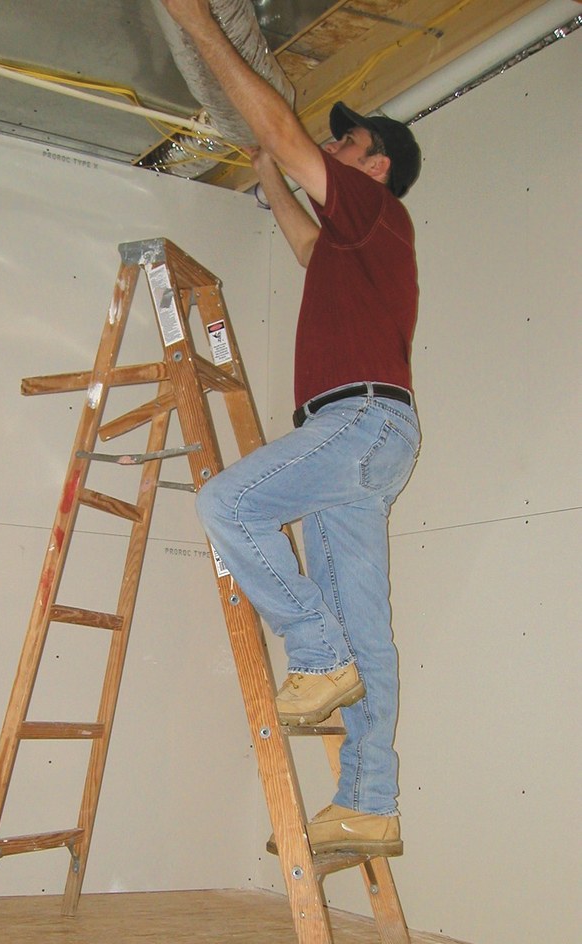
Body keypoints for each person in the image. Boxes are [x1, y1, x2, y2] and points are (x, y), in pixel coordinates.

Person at [160, 0, 422, 856]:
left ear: (376, 167)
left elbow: (284, 126)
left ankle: (314, 652)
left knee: (227, 504)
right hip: (372, 436)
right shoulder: (352, 247)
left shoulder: (377, 209)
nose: (333, 148)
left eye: (348, 143)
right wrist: (268, 173)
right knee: (367, 628)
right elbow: (304, 243)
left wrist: (201, 27)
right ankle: (370, 803)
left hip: (361, 420)